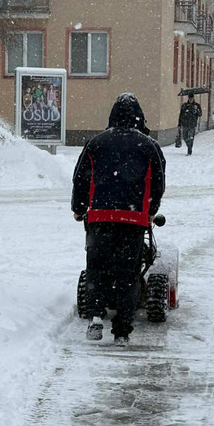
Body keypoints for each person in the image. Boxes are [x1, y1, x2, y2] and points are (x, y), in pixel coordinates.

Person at [72, 93, 166, 345]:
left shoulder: (96, 143)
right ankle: (122, 330)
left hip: (100, 218)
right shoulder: (149, 146)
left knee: (97, 269)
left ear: (112, 115)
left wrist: (79, 208)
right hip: (133, 220)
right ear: (139, 117)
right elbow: (158, 182)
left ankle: (94, 315)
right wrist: (150, 210)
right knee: (128, 274)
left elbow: (81, 178)